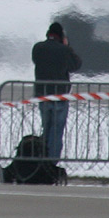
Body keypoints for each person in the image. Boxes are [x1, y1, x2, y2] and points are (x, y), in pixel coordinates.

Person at [32, 21, 82, 161]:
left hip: (42, 96)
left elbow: (36, 61)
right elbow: (76, 65)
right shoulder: (64, 50)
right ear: (61, 36)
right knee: (56, 132)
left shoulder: (37, 48)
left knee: (46, 129)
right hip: (60, 96)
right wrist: (67, 47)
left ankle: (42, 159)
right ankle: (52, 162)